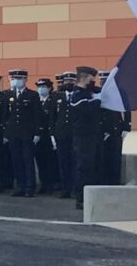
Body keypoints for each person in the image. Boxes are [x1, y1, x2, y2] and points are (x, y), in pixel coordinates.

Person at [67, 65, 104, 205]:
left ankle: (89, 196)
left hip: (91, 135)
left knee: (92, 167)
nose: (92, 81)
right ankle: (81, 198)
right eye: (90, 78)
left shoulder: (88, 93)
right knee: (83, 167)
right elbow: (86, 110)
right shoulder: (77, 94)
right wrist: (97, 100)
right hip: (82, 137)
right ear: (83, 78)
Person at [3, 65, 42, 198]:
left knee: (27, 160)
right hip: (13, 133)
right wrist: (6, 133)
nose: (16, 80)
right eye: (14, 78)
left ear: (25, 79)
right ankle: (20, 186)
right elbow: (6, 116)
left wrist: (37, 132)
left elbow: (37, 115)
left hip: (27, 133)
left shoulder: (32, 95)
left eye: (19, 78)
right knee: (16, 160)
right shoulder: (8, 95)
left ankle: (30, 187)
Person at [33, 77, 61, 195]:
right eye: (39, 87)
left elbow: (53, 119)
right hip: (38, 137)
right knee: (41, 162)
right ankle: (43, 184)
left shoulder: (53, 101)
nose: (41, 89)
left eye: (43, 86)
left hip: (49, 137)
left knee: (51, 162)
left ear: (49, 88)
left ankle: (52, 184)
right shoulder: (36, 101)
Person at [53, 72, 79, 198]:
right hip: (61, 134)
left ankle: (75, 188)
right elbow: (53, 117)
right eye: (66, 81)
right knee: (63, 162)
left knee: (74, 162)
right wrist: (53, 134)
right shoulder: (57, 97)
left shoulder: (79, 96)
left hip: (74, 134)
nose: (69, 84)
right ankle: (65, 188)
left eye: (71, 81)